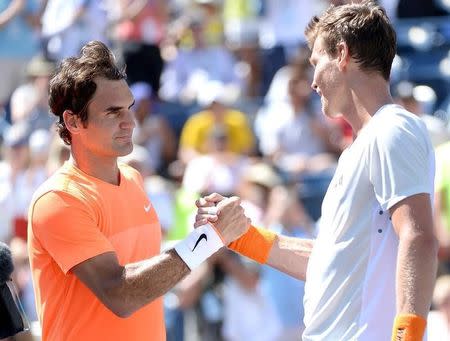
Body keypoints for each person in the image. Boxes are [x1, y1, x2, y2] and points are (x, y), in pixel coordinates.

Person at [196, 2, 438, 340]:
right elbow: (329, 261)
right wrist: (242, 237)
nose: (312, 82)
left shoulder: (391, 128)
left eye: (315, 63)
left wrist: (406, 335)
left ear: (341, 54)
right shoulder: (366, 143)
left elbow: (419, 236)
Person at [27, 40, 250, 341]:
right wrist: (207, 240)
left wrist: (201, 232)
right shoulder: (58, 199)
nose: (130, 121)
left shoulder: (132, 178)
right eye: (113, 112)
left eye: (129, 108)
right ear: (73, 120)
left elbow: (144, 268)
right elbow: (120, 294)